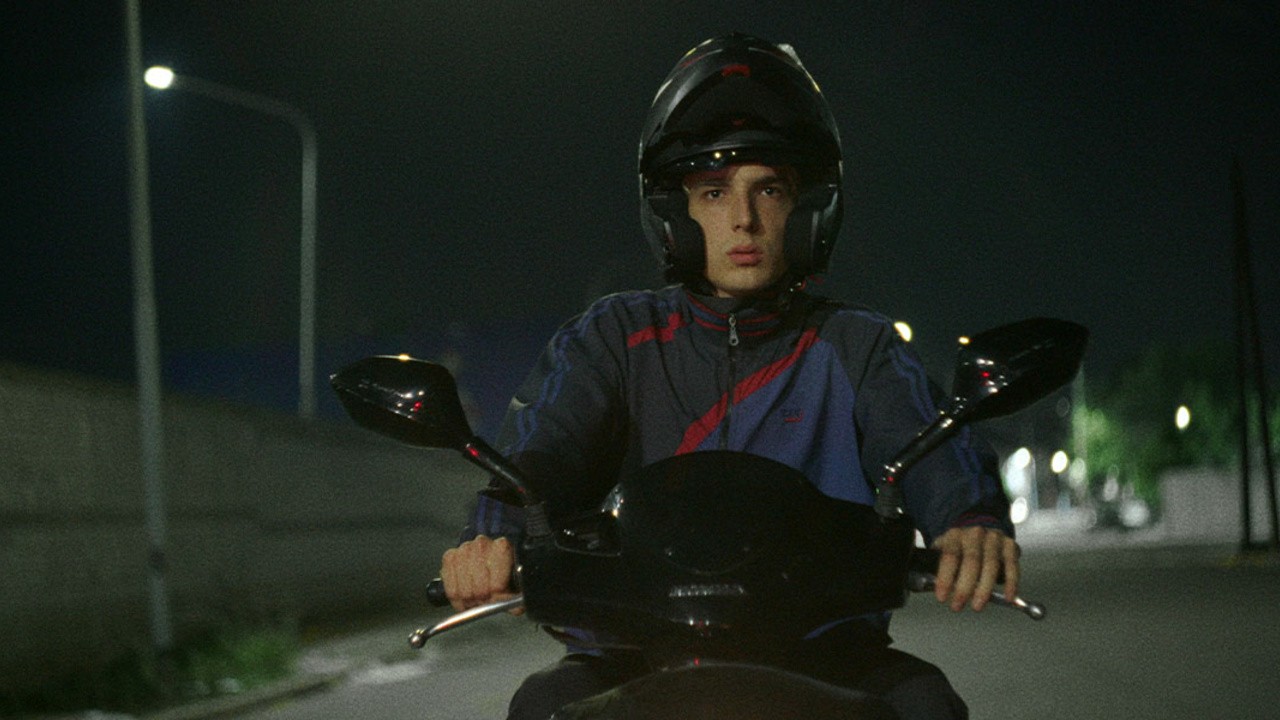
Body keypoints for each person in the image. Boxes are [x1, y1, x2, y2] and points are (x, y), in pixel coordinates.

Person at [439, 33, 1019, 720]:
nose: (743, 219)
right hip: (635, 651)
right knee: (542, 705)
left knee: (926, 706)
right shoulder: (613, 338)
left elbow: (927, 441)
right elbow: (542, 451)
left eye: (768, 189)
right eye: (714, 192)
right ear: (674, 213)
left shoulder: (856, 345)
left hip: (825, 651)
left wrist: (968, 520)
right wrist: (493, 536)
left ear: (809, 208)